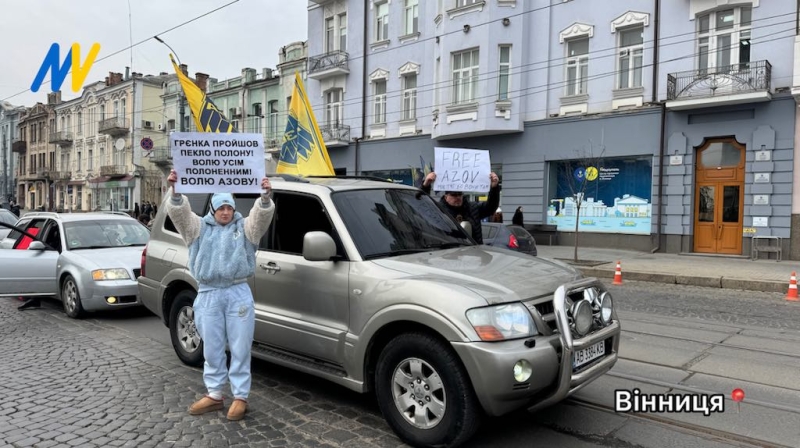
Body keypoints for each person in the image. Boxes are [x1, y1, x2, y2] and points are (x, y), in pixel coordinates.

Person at [165, 169, 275, 421]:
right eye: (220, 207)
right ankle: (214, 394)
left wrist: (265, 198)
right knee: (212, 347)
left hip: (237, 293)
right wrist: (175, 191)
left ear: (233, 208)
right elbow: (180, 215)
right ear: (213, 209)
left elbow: (260, 219)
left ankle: (240, 396)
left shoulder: (245, 228)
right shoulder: (199, 228)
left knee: (240, 346)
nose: (225, 212)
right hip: (209, 293)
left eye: (229, 207)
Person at [420, 171, 500, 244]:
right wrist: (426, 185)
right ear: (446, 197)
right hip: (448, 253)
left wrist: (494, 188)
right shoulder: (439, 210)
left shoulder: (472, 208)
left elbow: (491, 207)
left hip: (473, 253)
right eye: (454, 195)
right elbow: (422, 208)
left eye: (459, 194)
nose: (458, 197)